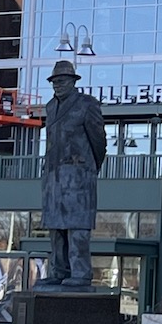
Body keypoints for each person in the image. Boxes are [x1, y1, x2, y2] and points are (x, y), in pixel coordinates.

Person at [34, 59, 106, 290]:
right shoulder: (50, 107)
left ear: (73, 82)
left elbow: (98, 140)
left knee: (77, 230)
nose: (58, 85)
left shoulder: (87, 104)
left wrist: (89, 168)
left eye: (62, 81)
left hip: (78, 177)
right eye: (54, 82)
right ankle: (58, 271)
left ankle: (81, 273)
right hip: (54, 177)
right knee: (56, 230)